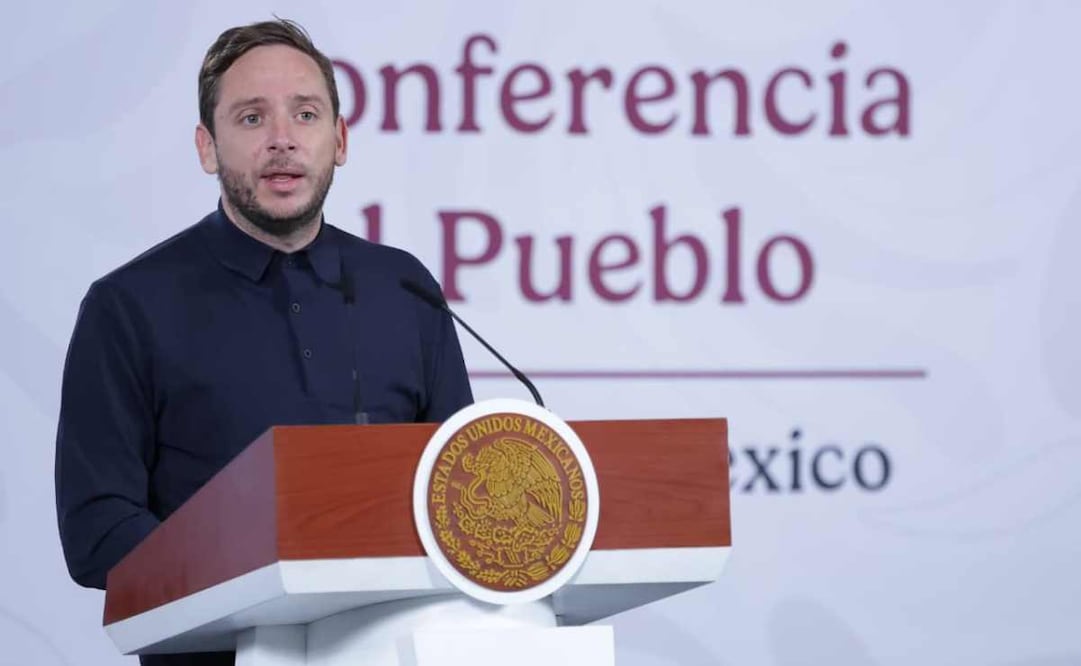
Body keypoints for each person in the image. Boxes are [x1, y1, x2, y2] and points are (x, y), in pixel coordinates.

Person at [54, 19, 473, 666]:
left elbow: (460, 492)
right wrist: (264, 585)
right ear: (206, 147)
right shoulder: (128, 306)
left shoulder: (404, 288)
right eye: (251, 119)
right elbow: (97, 528)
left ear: (338, 140)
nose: (282, 139)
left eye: (304, 115)